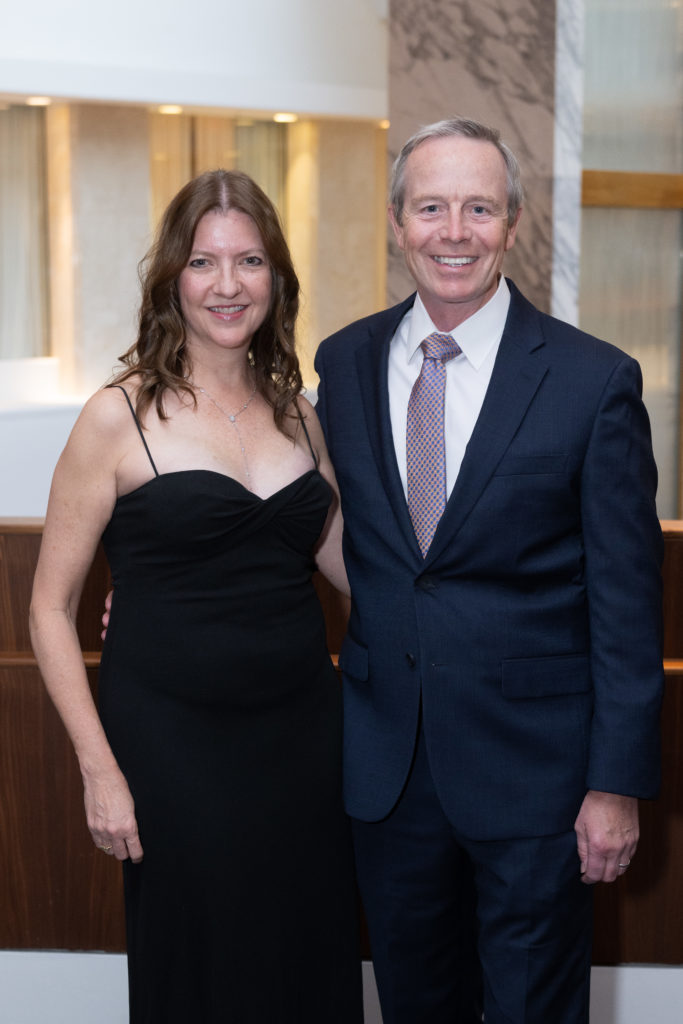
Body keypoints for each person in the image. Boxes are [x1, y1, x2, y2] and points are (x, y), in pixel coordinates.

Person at [314, 117, 664, 1023]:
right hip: (387, 773)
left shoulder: (593, 381)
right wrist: (152, 596)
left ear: (512, 223)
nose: (454, 231)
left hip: (537, 782)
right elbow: (305, 513)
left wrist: (614, 785)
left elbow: (627, 606)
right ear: (397, 222)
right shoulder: (343, 364)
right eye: (431, 207)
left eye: (478, 208)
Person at [29, 169, 363, 1023]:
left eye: (249, 261)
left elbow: (351, 569)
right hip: (171, 746)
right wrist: (100, 771)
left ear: (275, 278)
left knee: (306, 954)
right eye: (204, 262)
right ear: (172, 277)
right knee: (199, 971)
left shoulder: (300, 415)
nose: (227, 284)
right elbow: (49, 611)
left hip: (303, 740)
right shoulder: (117, 416)